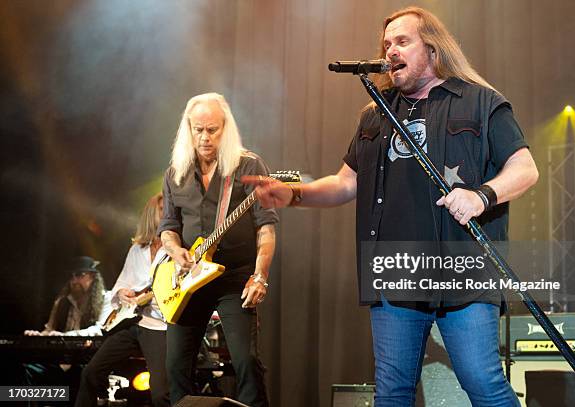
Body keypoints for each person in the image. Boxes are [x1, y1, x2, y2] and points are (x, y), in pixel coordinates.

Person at [245, 6, 539, 407]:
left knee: (483, 385)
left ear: (433, 49)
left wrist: (479, 195)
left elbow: (525, 169)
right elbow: (345, 183)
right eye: (386, 44)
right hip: (395, 271)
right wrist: (294, 194)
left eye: (402, 41)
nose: (390, 51)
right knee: (392, 394)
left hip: (463, 270)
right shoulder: (375, 114)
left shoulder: (481, 102)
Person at [158, 93, 278, 406]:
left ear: (226, 129)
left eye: (212, 129)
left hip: (234, 279)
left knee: (246, 363)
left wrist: (260, 276)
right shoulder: (176, 173)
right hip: (190, 280)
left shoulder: (248, 165)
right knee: (175, 367)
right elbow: (168, 227)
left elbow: (266, 228)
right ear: (188, 129)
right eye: (198, 129)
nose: (205, 136)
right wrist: (174, 251)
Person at [75, 193, 170, 407]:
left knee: (161, 394)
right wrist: (121, 294)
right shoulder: (137, 249)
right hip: (131, 322)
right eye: (163, 208)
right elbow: (120, 285)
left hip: (158, 325)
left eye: (170, 208)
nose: (168, 213)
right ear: (150, 213)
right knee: (90, 373)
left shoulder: (177, 249)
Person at [22, 256, 111, 405]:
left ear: (93, 276)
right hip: (59, 361)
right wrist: (38, 336)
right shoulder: (62, 301)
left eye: (80, 275)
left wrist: (65, 337)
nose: (74, 281)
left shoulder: (106, 299)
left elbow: (99, 330)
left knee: (79, 383)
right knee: (25, 371)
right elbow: (50, 330)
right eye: (72, 276)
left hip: (85, 362)